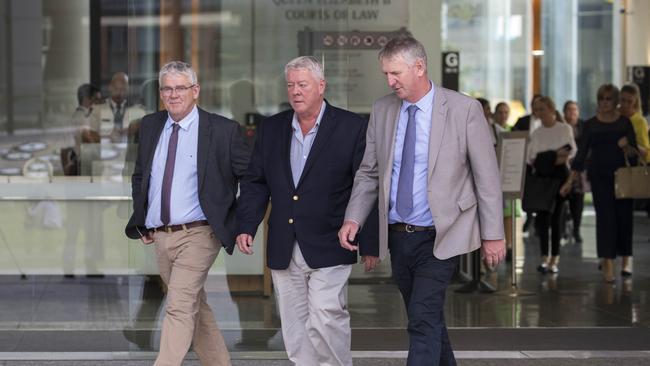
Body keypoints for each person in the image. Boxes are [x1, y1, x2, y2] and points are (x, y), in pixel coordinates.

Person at [338, 36, 505, 365]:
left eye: (395, 73)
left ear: (419, 67)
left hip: (441, 235)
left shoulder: (463, 109)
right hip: (399, 235)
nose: (390, 81)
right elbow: (369, 172)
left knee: (421, 318)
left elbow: (487, 177)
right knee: (426, 318)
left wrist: (493, 233)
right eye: (386, 74)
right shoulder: (383, 109)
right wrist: (353, 218)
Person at [236, 56, 378, 366]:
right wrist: (247, 225)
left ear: (321, 86)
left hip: (331, 239)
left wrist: (370, 243)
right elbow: (256, 182)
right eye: (291, 85)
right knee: (295, 327)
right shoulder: (272, 128)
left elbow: (365, 184)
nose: (296, 91)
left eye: (303, 84)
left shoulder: (352, 127)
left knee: (327, 318)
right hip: (284, 242)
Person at [125, 61, 250, 366]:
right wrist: (142, 218)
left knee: (179, 306)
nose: (173, 94)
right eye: (167, 88)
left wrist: (240, 222)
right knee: (194, 305)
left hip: (200, 232)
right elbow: (142, 175)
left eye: (181, 88)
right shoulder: (151, 125)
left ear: (195, 91)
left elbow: (251, 179)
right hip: (161, 236)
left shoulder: (222, 130)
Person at [560, 84, 637, 282]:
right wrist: (570, 180)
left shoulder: (625, 123)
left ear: (616, 101)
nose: (603, 103)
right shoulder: (591, 125)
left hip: (622, 179)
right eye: (601, 99)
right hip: (600, 178)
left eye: (608, 99)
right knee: (605, 220)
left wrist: (626, 146)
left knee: (624, 219)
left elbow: (635, 157)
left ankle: (626, 259)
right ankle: (608, 262)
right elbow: (581, 155)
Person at [526, 96, 576, 274]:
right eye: (536, 109)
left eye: (541, 109)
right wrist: (555, 155)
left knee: (556, 219)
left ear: (551, 109)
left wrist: (548, 157)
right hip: (542, 179)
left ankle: (554, 258)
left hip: (559, 177)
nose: (538, 112)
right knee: (542, 220)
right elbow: (532, 158)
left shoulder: (564, 129)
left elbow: (569, 153)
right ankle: (543, 257)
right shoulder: (537, 133)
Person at [562, 100, 585, 243]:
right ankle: (563, 228)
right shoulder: (561, 127)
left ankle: (576, 229)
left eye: (574, 110)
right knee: (564, 200)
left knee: (578, 202)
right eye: (569, 110)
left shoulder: (583, 127)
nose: (572, 113)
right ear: (564, 113)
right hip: (564, 167)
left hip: (579, 170)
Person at [619, 83, 650, 162]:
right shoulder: (612, 115)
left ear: (635, 102)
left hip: (630, 167)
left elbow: (646, 154)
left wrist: (631, 144)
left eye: (629, 102)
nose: (625, 104)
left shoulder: (640, 122)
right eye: (623, 100)